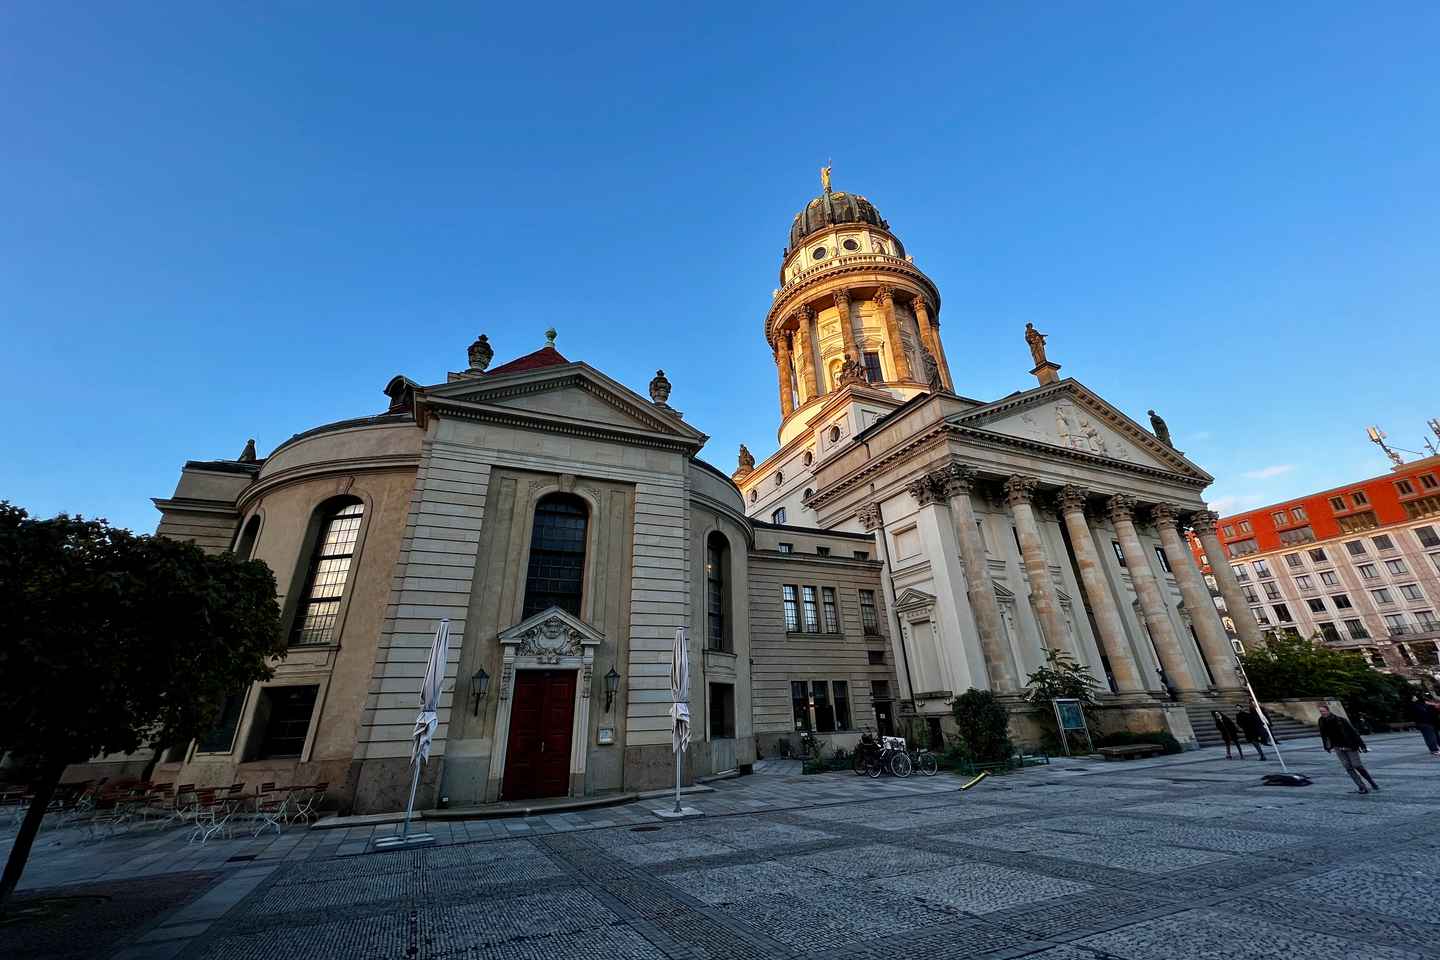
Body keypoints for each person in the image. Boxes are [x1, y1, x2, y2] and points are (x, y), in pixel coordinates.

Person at [1318, 704, 1380, 794]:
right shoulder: (1321, 721)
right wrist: (1327, 746)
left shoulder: (1340, 720)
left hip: (1349, 745)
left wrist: (1362, 745)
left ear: (1328, 710)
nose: (1322, 713)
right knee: (1347, 767)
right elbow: (1324, 735)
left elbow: (1354, 732)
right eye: (1320, 711)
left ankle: (1371, 782)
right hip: (1337, 746)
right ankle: (1362, 787)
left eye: (1323, 711)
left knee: (1357, 765)